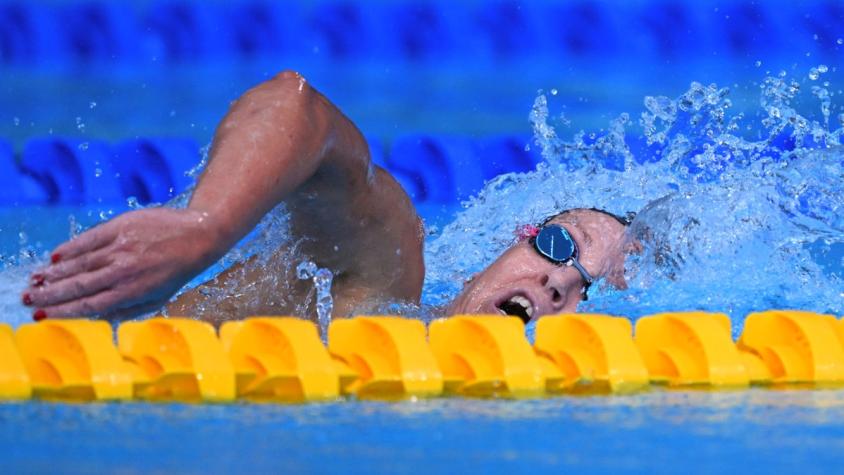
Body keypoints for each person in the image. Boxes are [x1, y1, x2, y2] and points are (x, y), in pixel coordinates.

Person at [20, 71, 634, 324]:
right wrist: (203, 229)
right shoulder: (388, 281)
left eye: (589, 288)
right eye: (560, 248)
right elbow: (295, 102)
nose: (560, 285)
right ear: (518, 237)